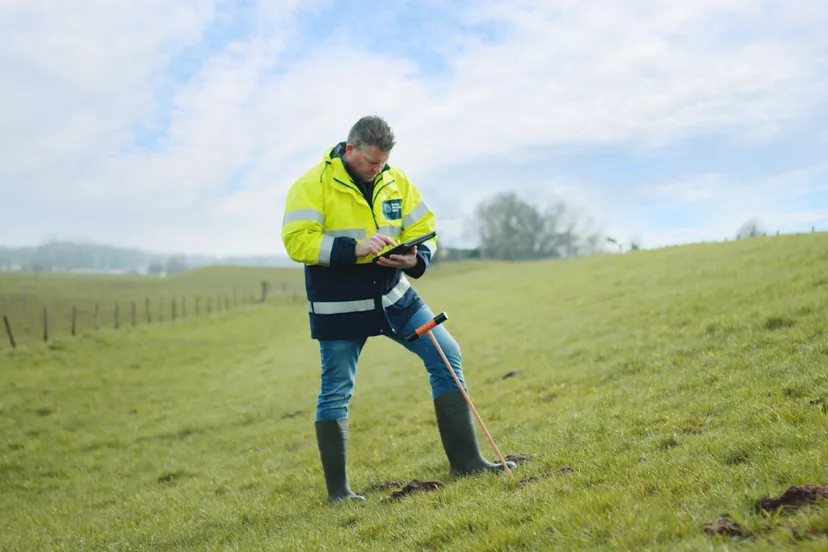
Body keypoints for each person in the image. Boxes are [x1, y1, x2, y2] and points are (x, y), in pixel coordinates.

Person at [280, 115, 516, 503]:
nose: (378, 170)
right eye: (371, 163)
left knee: (447, 355)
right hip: (340, 307)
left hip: (395, 296)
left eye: (383, 163)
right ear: (350, 149)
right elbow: (296, 241)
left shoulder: (396, 178)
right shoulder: (310, 185)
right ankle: (339, 494)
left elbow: (423, 225)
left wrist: (415, 258)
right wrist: (352, 249)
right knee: (335, 392)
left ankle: (468, 462)